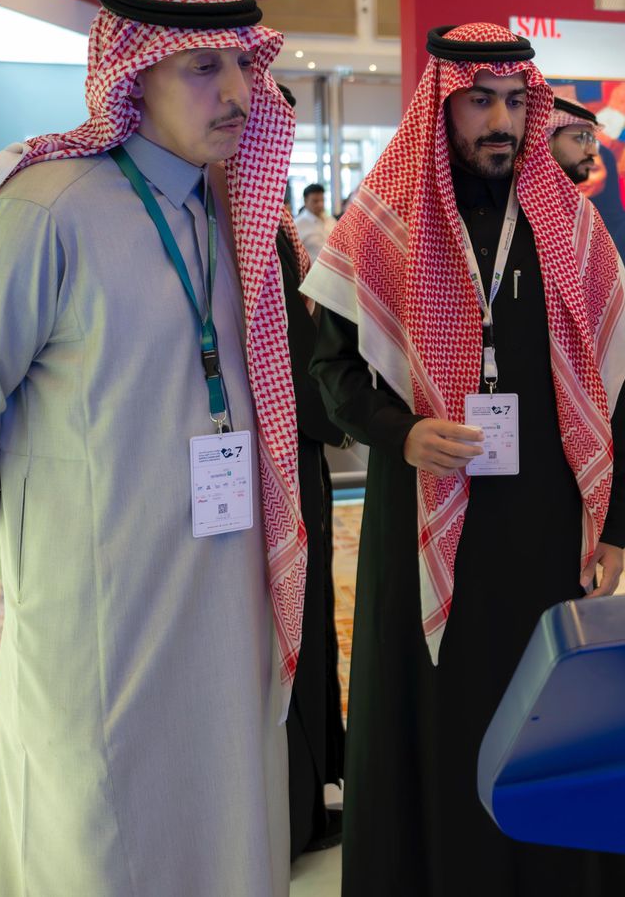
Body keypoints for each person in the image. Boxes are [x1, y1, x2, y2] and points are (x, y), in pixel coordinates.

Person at [0, 0, 305, 897]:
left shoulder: (228, 214)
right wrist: (30, 558)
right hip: (96, 618)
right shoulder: (44, 211)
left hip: (224, 600)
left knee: (226, 822)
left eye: (243, 65)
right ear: (135, 73)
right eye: (203, 67)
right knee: (97, 837)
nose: (238, 93)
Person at [301, 23, 625, 897]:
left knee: (545, 712)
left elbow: (618, 382)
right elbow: (331, 369)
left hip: (544, 523)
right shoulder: (383, 221)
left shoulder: (571, 225)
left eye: (517, 102)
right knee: (433, 717)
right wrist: (400, 432)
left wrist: (614, 528)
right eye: (480, 101)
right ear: (441, 106)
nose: (502, 121)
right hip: (422, 512)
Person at [273, 89, 347, 859]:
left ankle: (313, 786)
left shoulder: (272, 223)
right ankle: (294, 806)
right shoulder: (251, 227)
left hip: (295, 452)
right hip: (274, 461)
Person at [551, 98, 625, 284]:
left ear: (608, 175)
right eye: (580, 168)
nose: (584, 177)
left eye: (592, 169)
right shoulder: (550, 217)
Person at [294, 181, 335, 260]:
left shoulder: (331, 220)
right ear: (305, 201)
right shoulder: (297, 224)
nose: (320, 204)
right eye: (315, 201)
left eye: (322, 200)